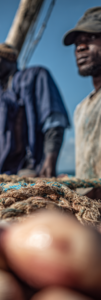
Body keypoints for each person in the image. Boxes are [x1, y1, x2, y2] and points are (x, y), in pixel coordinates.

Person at [0, 43, 70, 177]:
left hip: (28, 169)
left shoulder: (35, 76)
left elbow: (53, 121)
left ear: (11, 58)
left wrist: (49, 162)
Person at [63, 7, 101, 197]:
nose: (80, 47)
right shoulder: (81, 108)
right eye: (78, 43)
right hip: (89, 211)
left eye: (91, 38)